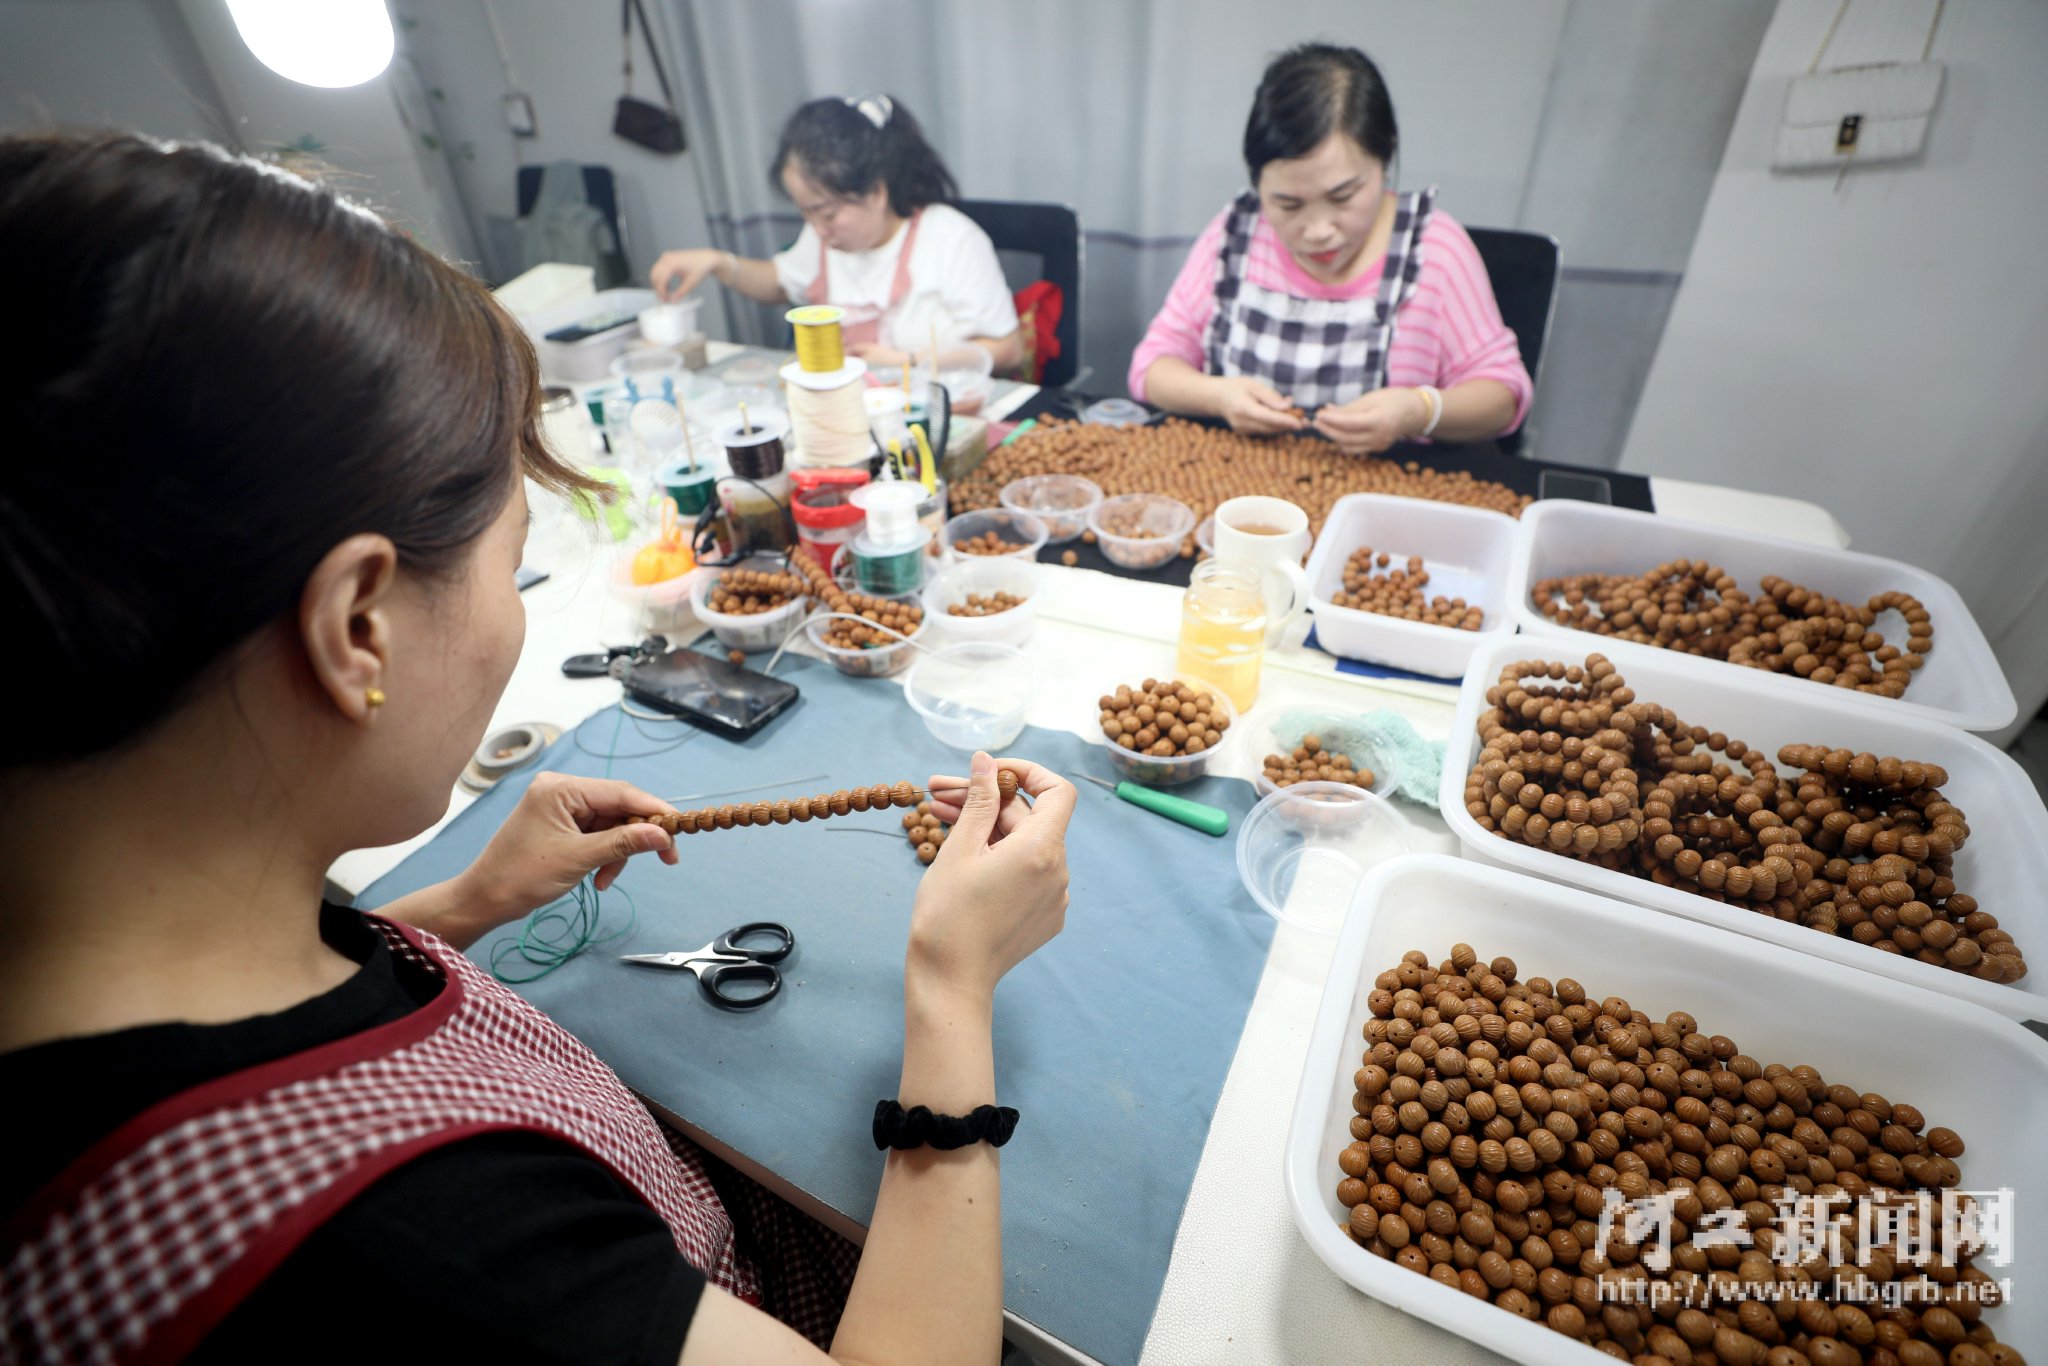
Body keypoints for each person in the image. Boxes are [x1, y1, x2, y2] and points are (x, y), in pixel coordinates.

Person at [0, 131, 1073, 1365]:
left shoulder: (116, 948)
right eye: (512, 563)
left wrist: (457, 908)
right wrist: (949, 987)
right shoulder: (418, 1248)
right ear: (357, 629)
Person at [1131, 43, 1533, 455]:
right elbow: (1152, 367)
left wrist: (1418, 410)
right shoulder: (1234, 237)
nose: (1319, 231)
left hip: (1381, 488)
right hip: (1237, 480)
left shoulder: (1435, 252)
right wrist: (1217, 396)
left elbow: (1504, 396)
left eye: (1343, 197)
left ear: (1384, 158)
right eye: (1288, 204)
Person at [650, 95, 1024, 371]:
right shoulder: (823, 236)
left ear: (877, 192)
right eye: (805, 212)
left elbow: (1009, 349)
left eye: (827, 213)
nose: (817, 228)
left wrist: (909, 361)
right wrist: (718, 263)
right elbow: (781, 282)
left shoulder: (950, 239)